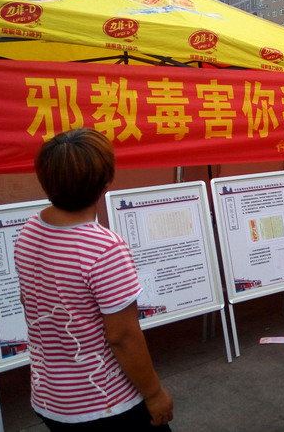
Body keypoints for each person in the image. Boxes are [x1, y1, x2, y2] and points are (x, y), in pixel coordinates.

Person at [14, 129, 174, 431]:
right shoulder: (105, 248)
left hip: (49, 398)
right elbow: (122, 336)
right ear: (106, 179)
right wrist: (154, 394)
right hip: (105, 404)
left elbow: (28, 300)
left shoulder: (29, 230)